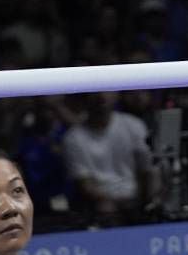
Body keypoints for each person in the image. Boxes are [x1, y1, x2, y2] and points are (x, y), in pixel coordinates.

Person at [61, 92, 158, 220]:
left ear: (117, 95)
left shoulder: (133, 125)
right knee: (105, 208)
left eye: (107, 91)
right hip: (102, 204)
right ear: (85, 97)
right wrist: (112, 201)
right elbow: (86, 184)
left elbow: (149, 169)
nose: (101, 96)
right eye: (95, 92)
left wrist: (149, 199)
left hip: (137, 197)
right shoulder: (73, 138)